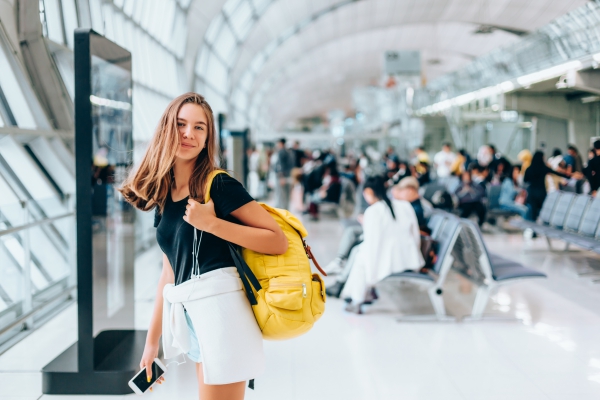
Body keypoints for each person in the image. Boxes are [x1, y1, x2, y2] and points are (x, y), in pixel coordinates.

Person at [119, 93, 288, 400]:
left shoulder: (218, 186)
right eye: (181, 124)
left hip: (223, 316)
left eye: (200, 127)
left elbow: (277, 241)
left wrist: (211, 224)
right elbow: (167, 274)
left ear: (208, 137)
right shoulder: (165, 193)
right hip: (192, 318)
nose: (189, 134)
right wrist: (151, 343)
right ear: (167, 128)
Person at [339, 176, 424, 313]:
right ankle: (357, 295)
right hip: (410, 258)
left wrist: (372, 276)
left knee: (361, 257)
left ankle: (357, 299)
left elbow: (373, 245)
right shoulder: (404, 205)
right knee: (360, 253)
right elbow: (415, 235)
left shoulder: (373, 211)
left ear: (369, 192)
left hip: (393, 262)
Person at [524, 150, 575, 221]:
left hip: (532, 193)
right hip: (541, 193)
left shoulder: (529, 169)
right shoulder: (543, 168)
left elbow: (525, 180)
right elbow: (555, 173)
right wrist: (568, 176)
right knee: (542, 211)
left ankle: (532, 227)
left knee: (533, 212)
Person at [274, 138, 294, 209]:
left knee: (282, 194)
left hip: (282, 176)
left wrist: (281, 177)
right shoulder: (288, 151)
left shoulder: (281, 152)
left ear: (281, 143)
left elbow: (280, 165)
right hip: (287, 175)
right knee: (286, 194)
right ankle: (285, 209)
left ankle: (282, 210)